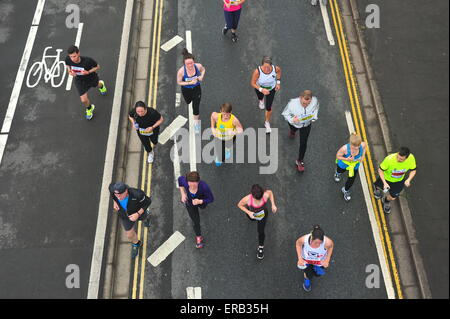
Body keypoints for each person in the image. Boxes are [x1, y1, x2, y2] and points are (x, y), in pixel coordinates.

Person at [109, 182, 151, 259]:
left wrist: (138, 214)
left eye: (120, 194)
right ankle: (136, 244)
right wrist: (115, 202)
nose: (118, 197)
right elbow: (112, 194)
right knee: (129, 235)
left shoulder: (137, 194)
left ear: (126, 191)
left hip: (138, 212)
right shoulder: (113, 190)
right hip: (125, 216)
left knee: (144, 217)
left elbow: (148, 202)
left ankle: (146, 219)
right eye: (116, 194)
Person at [65, 45, 107, 120]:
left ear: (78, 53)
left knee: (98, 84)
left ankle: (102, 85)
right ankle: (89, 108)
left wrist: (88, 72)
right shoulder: (68, 59)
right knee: (83, 100)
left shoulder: (88, 60)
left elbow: (97, 67)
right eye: (71, 56)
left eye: (74, 56)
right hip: (79, 80)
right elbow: (67, 65)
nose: (72, 59)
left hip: (90, 78)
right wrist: (69, 71)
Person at [281, 90, 319, 172]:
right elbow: (285, 113)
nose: (306, 105)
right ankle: (293, 131)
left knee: (303, 143)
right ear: (300, 98)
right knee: (293, 129)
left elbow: (316, 108)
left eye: (308, 103)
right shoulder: (292, 104)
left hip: (306, 125)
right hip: (295, 124)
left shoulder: (314, 101)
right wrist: (292, 119)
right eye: (304, 103)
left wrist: (314, 117)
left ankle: (299, 160)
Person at [237, 184, 277, 260]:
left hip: (262, 216)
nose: (259, 201)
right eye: (257, 199)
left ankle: (261, 247)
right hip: (252, 214)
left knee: (261, 232)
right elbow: (239, 205)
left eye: (260, 198)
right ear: (252, 195)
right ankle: (250, 214)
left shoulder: (265, 194)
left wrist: (273, 204)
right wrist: (248, 212)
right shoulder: (247, 199)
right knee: (251, 219)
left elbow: (270, 193)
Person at [372, 147, 417, 214]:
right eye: (397, 157)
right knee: (379, 187)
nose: (398, 159)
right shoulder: (389, 159)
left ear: (406, 158)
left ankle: (385, 201)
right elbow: (380, 170)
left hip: (399, 181)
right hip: (386, 179)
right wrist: (384, 182)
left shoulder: (411, 158)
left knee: (393, 197)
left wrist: (408, 179)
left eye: (401, 159)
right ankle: (377, 189)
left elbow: (413, 170)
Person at [178, 172, 214, 248]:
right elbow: (180, 180)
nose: (192, 186)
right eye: (190, 184)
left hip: (201, 201)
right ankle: (198, 237)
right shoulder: (185, 182)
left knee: (203, 207)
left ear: (198, 182)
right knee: (196, 221)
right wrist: (183, 194)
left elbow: (211, 199)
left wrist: (200, 201)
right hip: (190, 204)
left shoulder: (204, 187)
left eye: (194, 184)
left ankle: (201, 205)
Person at [295, 225, 334, 292]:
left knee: (318, 274)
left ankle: (311, 273)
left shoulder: (328, 242)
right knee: (308, 273)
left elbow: (331, 247)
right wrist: (300, 258)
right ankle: (307, 279)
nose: (318, 245)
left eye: (320, 243)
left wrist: (327, 260)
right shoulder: (304, 239)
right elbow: (298, 244)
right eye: (315, 242)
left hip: (319, 262)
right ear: (311, 238)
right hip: (307, 261)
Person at [177, 48, 206, 134]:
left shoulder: (198, 66)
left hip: (196, 89)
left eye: (191, 63)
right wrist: (189, 82)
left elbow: (203, 69)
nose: (190, 65)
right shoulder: (181, 71)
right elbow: (179, 82)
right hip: (186, 90)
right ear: (184, 64)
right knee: (188, 101)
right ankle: (189, 100)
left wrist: (201, 77)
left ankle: (196, 124)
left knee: (195, 107)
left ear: (194, 61)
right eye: (187, 64)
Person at [250, 56, 281, 133]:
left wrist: (278, 83)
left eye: (268, 67)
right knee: (260, 97)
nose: (266, 69)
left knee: (268, 107)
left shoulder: (276, 69)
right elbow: (252, 83)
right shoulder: (257, 71)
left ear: (271, 65)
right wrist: (261, 90)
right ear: (262, 65)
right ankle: (261, 100)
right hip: (260, 89)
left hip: (271, 89)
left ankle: (267, 123)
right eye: (265, 66)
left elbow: (279, 73)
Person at [334, 133, 367, 202]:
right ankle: (337, 173)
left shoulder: (362, 144)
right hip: (344, 164)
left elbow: (365, 147)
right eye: (354, 146)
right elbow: (338, 156)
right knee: (340, 170)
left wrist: (363, 156)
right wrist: (347, 159)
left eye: (358, 145)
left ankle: (345, 190)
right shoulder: (344, 148)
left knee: (351, 179)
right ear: (350, 143)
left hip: (354, 166)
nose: (357, 148)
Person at [210, 102, 244, 167]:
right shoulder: (217, 116)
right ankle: (220, 158)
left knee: (228, 147)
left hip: (230, 138)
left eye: (227, 115)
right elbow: (212, 116)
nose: (225, 116)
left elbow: (241, 130)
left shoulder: (234, 120)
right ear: (220, 111)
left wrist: (234, 132)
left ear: (231, 112)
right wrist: (212, 128)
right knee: (220, 150)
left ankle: (227, 150)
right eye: (224, 114)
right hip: (219, 138)